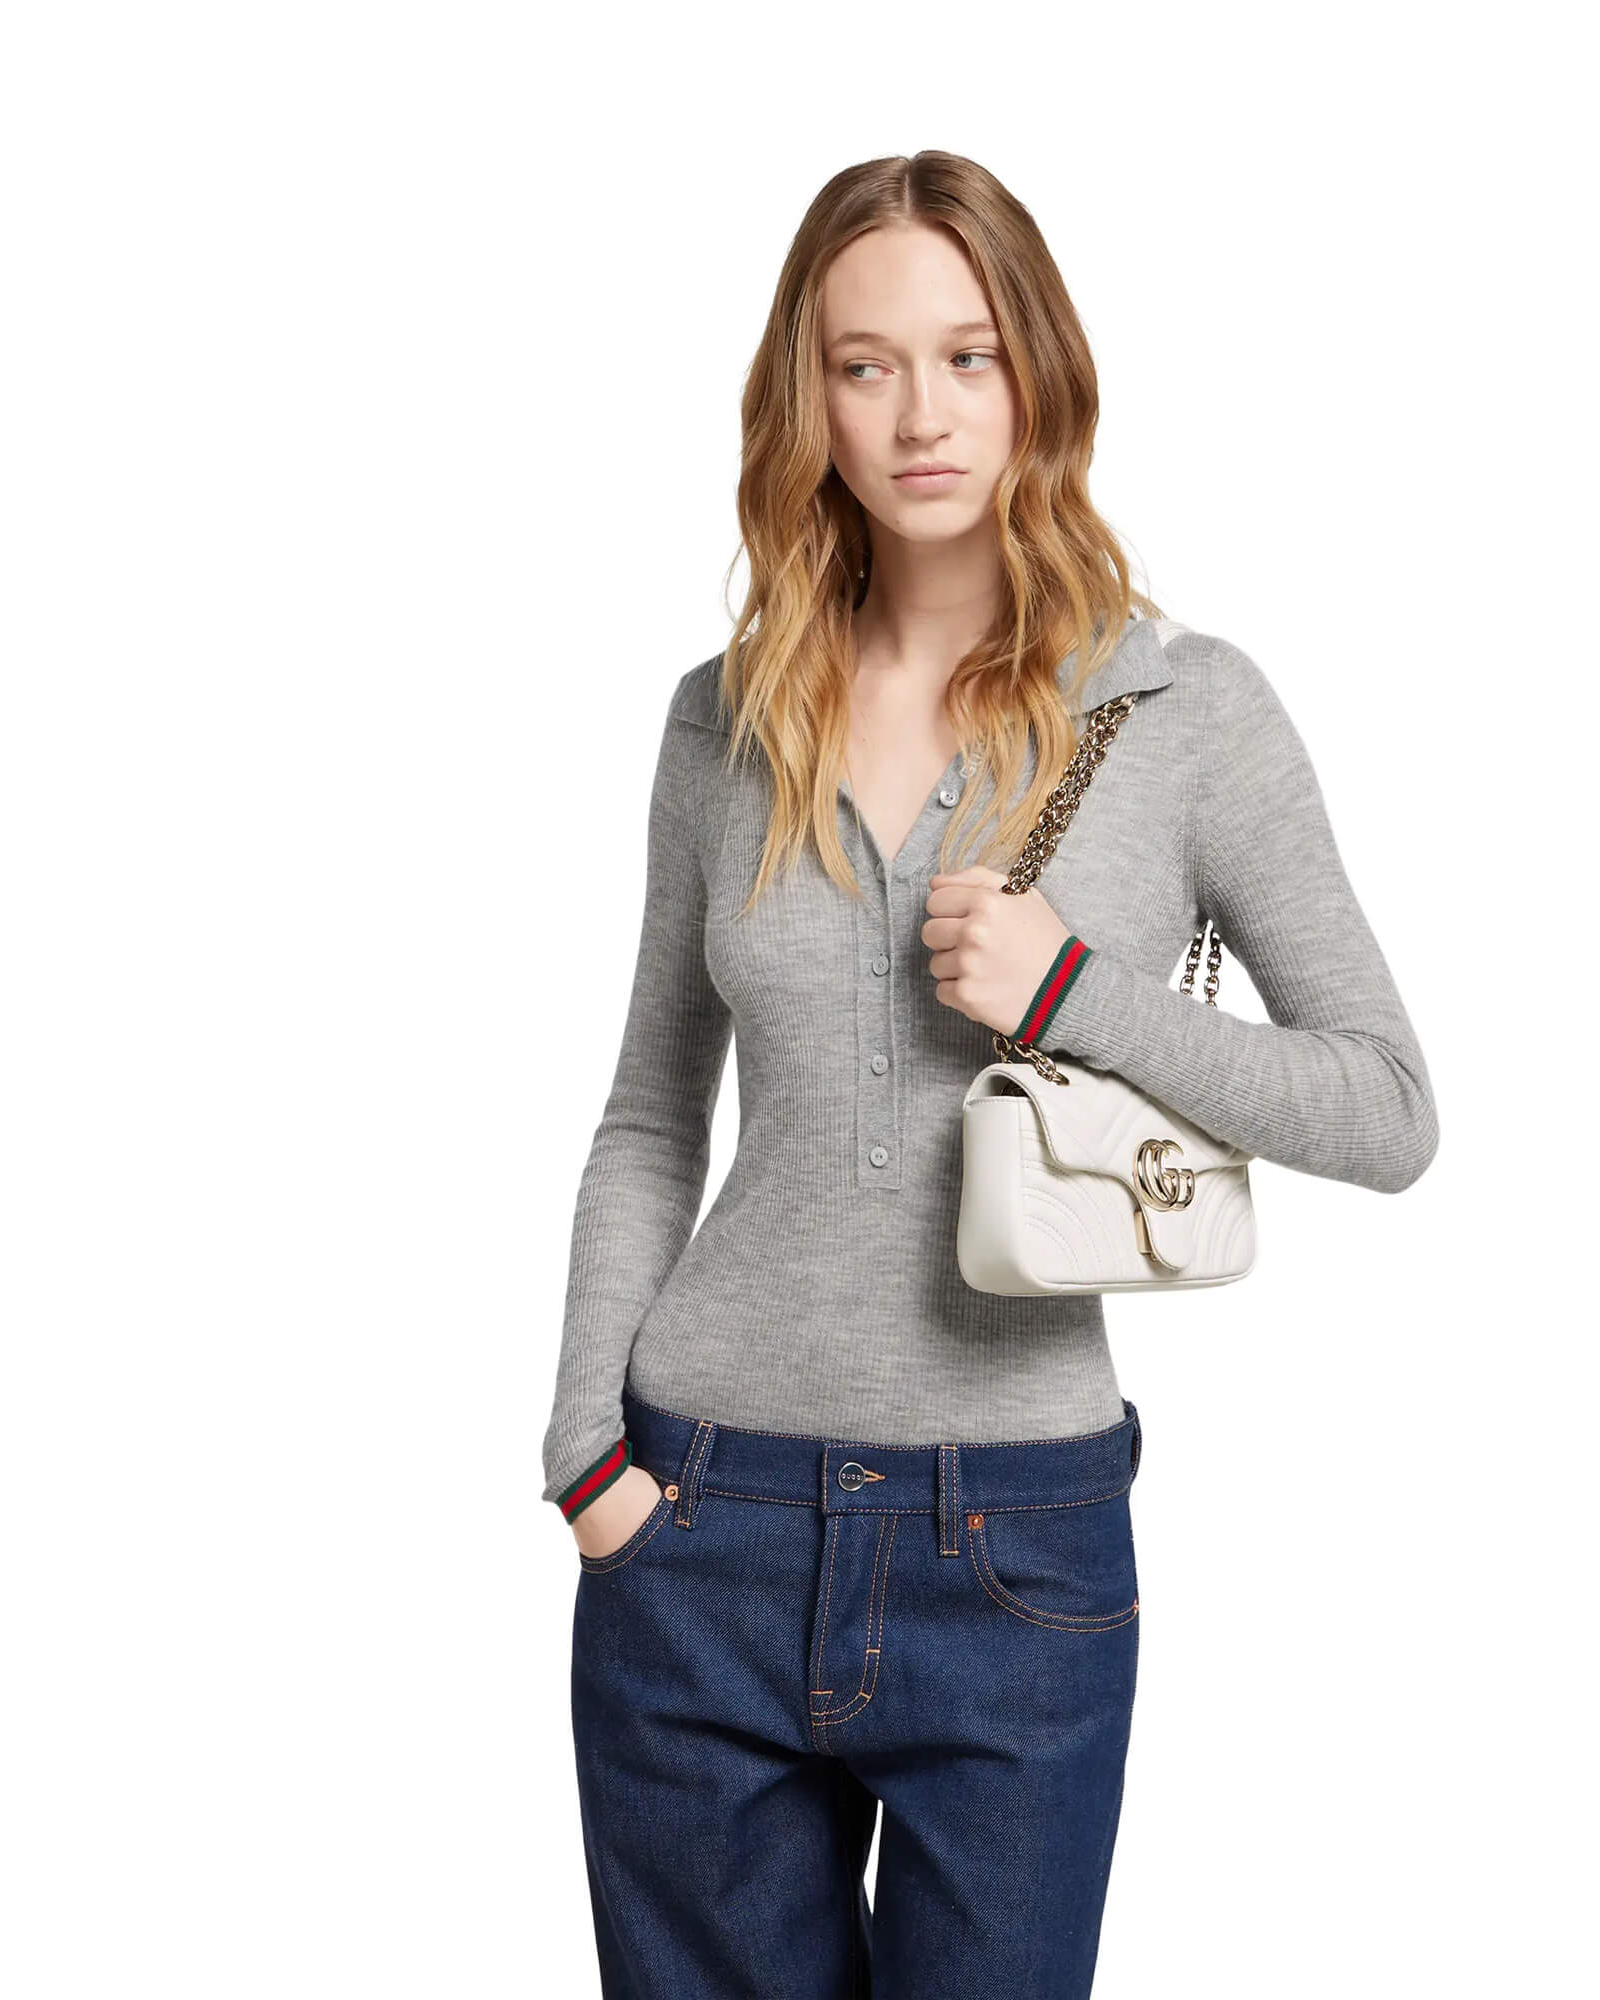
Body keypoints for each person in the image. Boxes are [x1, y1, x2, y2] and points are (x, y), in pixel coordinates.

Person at [539, 149, 1438, 1999]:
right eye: (864, 365)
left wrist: (1075, 994)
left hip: (1016, 1546)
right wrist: (587, 1459)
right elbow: (648, 1115)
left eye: (968, 356)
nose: (921, 415)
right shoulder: (725, 717)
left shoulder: (1185, 709)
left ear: (1040, 372)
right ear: (808, 397)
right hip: (695, 1523)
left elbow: (1384, 1108)